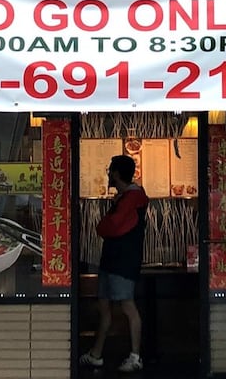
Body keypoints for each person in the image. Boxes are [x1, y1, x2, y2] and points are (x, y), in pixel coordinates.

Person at [81, 154, 149, 372]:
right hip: (112, 260)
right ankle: (96, 354)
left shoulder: (131, 199)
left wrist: (104, 223)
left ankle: (135, 356)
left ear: (117, 173)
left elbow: (110, 227)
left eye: (111, 170)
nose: (108, 174)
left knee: (127, 306)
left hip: (123, 262)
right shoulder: (125, 198)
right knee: (105, 307)